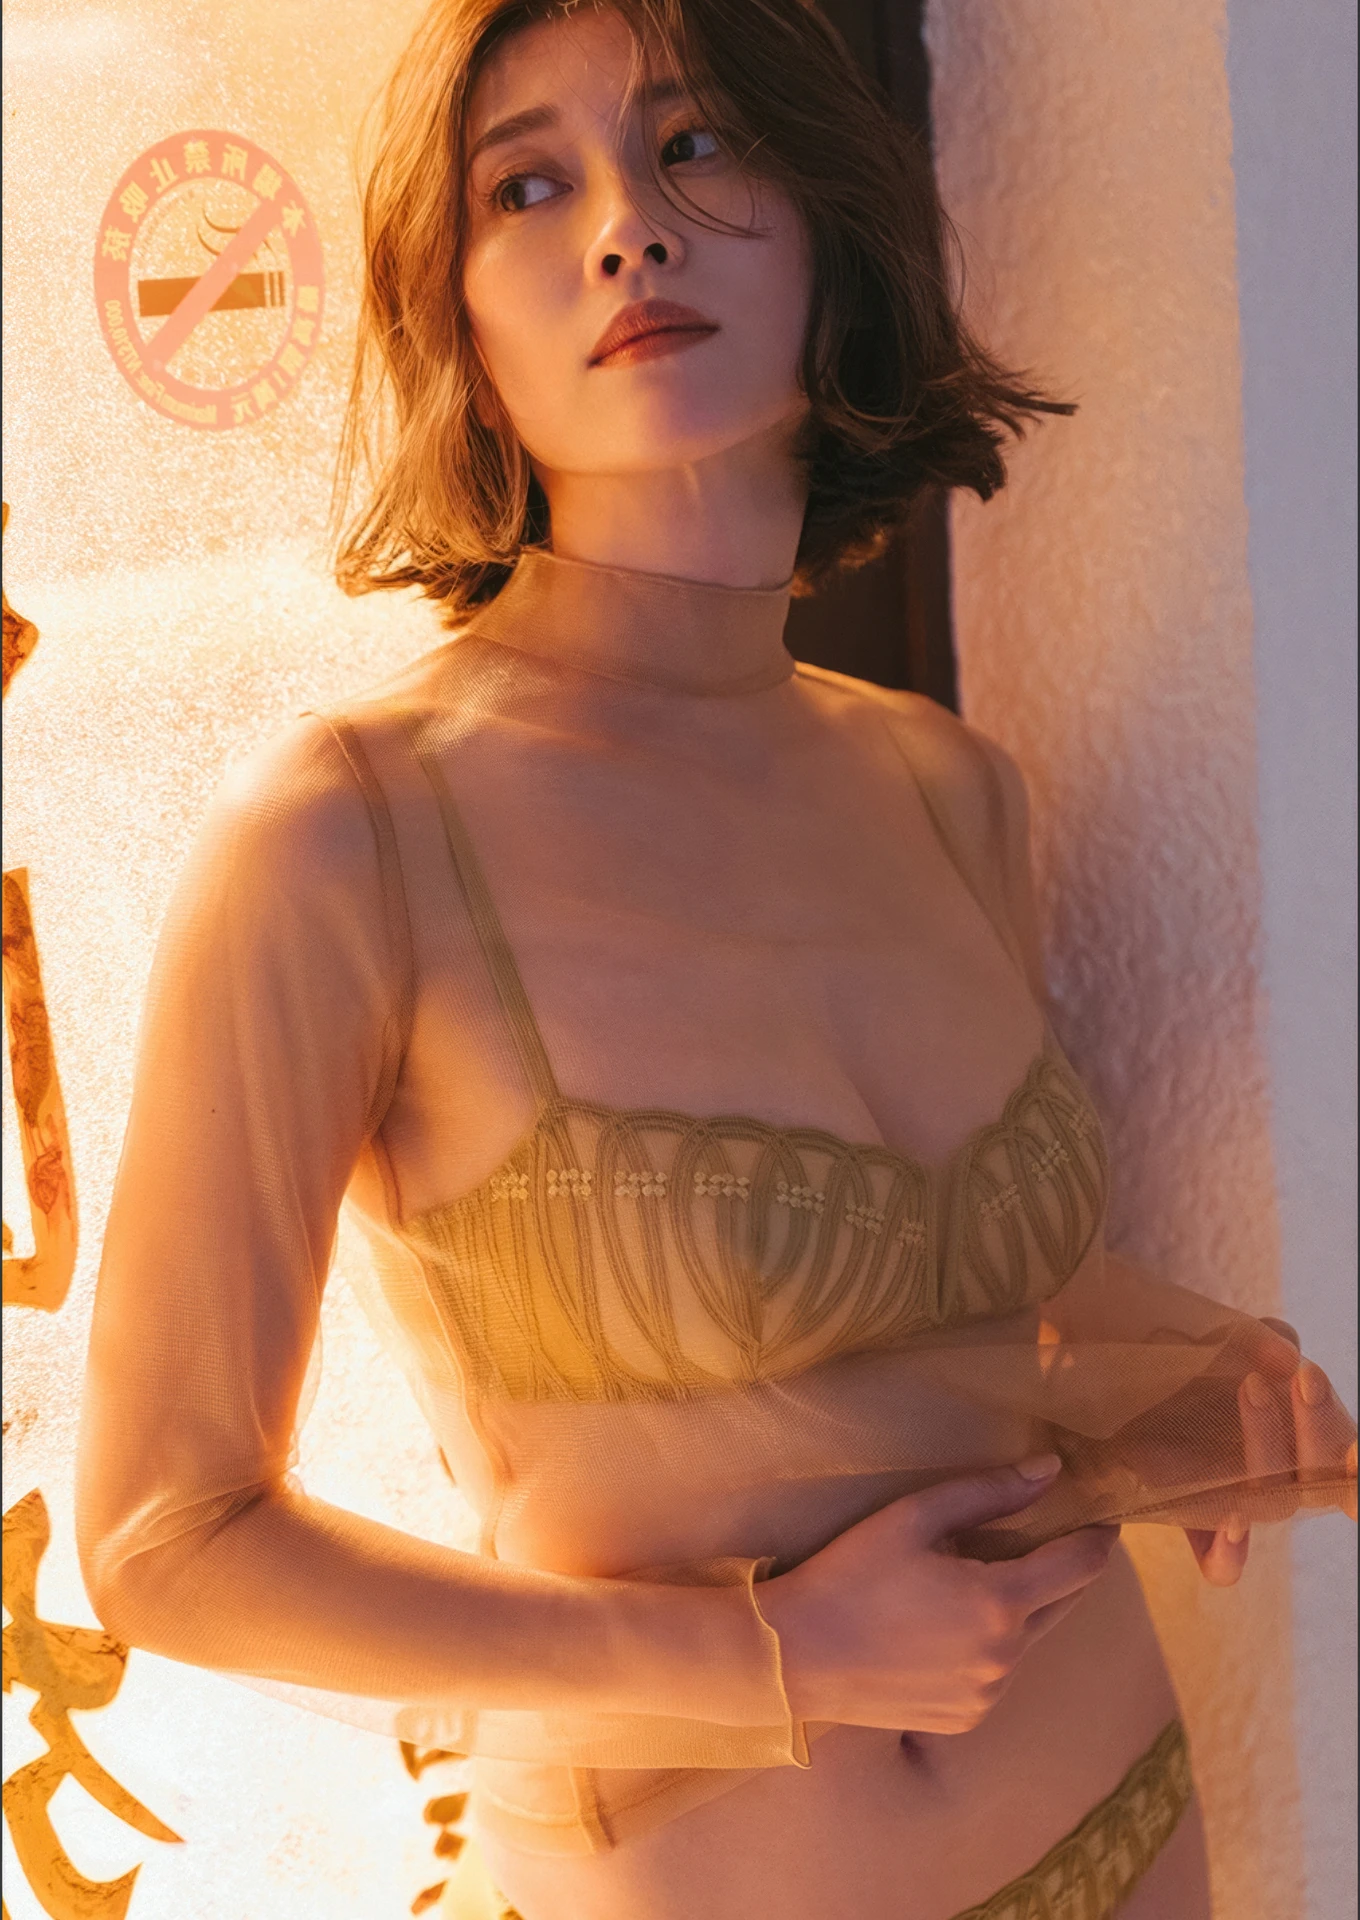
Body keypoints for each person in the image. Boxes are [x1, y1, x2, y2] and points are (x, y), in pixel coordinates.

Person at [76, 2, 1357, 1915]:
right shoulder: (346, 836)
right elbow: (167, 1540)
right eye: (527, 187)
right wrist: (771, 1656)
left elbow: (956, 1317)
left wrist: (1188, 1375)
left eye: (694, 146)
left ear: (830, 227)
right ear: (458, 323)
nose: (629, 230)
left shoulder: (947, 788)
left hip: (1126, 1820)